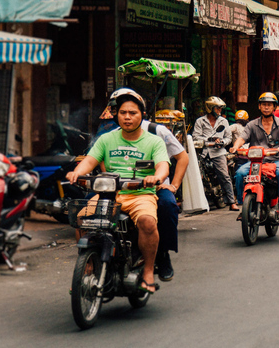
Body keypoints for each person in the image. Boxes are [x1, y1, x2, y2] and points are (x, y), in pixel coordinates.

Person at [66, 88, 169, 294]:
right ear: (116, 114)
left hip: (141, 194)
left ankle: (148, 270)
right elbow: (90, 160)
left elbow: (163, 165)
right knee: (82, 219)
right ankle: (87, 268)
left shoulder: (154, 141)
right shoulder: (106, 139)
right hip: (109, 194)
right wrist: (76, 173)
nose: (127, 117)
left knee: (148, 222)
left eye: (133, 113)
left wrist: (156, 177)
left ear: (142, 115)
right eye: (123, 113)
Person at [139, 115, 188, 283]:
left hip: (156, 187)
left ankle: (162, 253)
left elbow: (182, 157)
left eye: (132, 112)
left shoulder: (157, 130)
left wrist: (173, 186)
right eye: (120, 111)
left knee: (167, 205)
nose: (126, 117)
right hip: (124, 188)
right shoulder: (112, 135)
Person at [230, 93, 279, 223]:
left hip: (277, 159)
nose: (266, 107)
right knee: (240, 173)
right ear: (259, 106)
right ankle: (243, 205)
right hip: (256, 161)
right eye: (263, 104)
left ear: (274, 107)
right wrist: (235, 147)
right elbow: (242, 138)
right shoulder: (252, 125)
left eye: (269, 105)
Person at [194, 97, 237, 211]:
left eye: (220, 108)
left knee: (224, 176)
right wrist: (209, 140)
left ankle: (232, 201)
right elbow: (196, 136)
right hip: (204, 153)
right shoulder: (200, 121)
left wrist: (221, 141)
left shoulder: (224, 121)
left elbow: (228, 137)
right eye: (217, 108)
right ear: (210, 108)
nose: (219, 110)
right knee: (197, 176)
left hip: (218, 152)